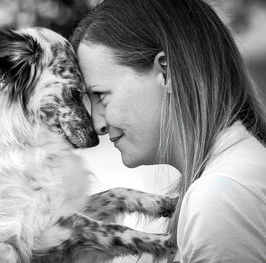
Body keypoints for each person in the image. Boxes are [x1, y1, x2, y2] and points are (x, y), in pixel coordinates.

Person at [71, 0, 266, 262]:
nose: (98, 125)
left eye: (101, 96)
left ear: (166, 71)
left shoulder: (220, 197)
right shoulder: (231, 174)